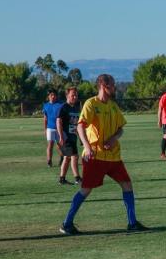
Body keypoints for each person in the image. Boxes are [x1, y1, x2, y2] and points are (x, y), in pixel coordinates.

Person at [60, 74, 148, 235]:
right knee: (86, 189)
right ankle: (67, 224)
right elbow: (80, 127)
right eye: (112, 85)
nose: (114, 88)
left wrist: (114, 138)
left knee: (127, 185)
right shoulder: (91, 104)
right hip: (96, 156)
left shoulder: (113, 106)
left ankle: (132, 223)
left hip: (114, 157)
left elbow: (121, 128)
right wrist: (87, 147)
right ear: (103, 86)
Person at [56, 87, 82, 185]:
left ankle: (62, 179)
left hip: (73, 136)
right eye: (72, 95)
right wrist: (61, 136)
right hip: (66, 137)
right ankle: (77, 178)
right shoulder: (64, 107)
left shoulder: (75, 107)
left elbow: (77, 124)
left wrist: (80, 137)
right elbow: (58, 121)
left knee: (67, 157)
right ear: (67, 96)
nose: (75, 97)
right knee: (74, 156)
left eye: (76, 95)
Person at [42, 90, 64, 167]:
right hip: (50, 128)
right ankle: (49, 161)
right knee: (50, 145)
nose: (53, 96)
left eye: (54, 95)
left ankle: (62, 157)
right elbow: (45, 118)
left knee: (59, 145)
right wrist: (45, 129)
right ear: (48, 96)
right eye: (51, 95)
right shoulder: (45, 105)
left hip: (59, 128)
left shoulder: (60, 104)